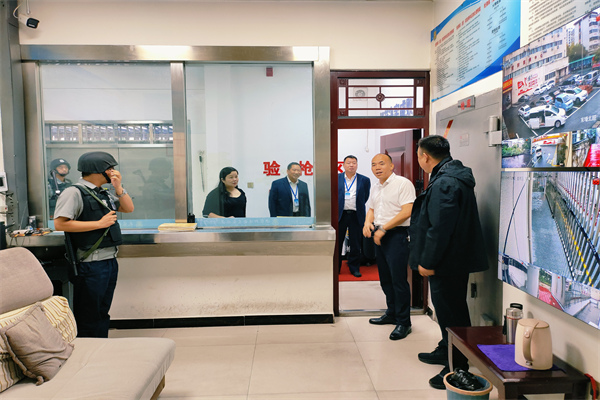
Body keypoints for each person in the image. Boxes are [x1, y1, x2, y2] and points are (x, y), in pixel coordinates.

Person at [409, 135, 489, 390]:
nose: (419, 160)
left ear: (425, 157)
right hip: (453, 259)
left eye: (418, 156)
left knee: (452, 314)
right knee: (449, 311)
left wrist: (428, 260)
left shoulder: (445, 182)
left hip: (446, 262)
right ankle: (446, 348)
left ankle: (457, 366)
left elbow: (440, 228)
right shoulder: (451, 175)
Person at [54, 151, 134, 338]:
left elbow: (128, 208)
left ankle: (101, 346)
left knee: (101, 311)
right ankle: (88, 350)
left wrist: (118, 187)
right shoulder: (74, 192)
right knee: (89, 315)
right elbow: (60, 223)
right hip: (90, 264)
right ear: (98, 170)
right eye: (110, 168)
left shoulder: (102, 193)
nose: (113, 171)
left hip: (109, 261)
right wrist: (99, 224)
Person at [363, 153, 415, 340]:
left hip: (396, 235)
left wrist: (384, 228)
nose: (377, 168)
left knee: (398, 280)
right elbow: (372, 208)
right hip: (380, 235)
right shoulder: (376, 186)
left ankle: (404, 322)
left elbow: (407, 212)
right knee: (385, 279)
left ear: (392, 166)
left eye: (381, 164)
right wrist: (367, 223)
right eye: (373, 164)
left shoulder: (403, 184)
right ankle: (391, 313)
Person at [338, 155, 370, 277]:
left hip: (356, 215)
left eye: (354, 163)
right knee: (338, 243)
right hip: (341, 215)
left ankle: (354, 267)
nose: (351, 165)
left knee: (356, 243)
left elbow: (365, 197)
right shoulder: (336, 178)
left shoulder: (364, 180)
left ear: (357, 165)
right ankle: (336, 267)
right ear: (343, 165)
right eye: (348, 163)